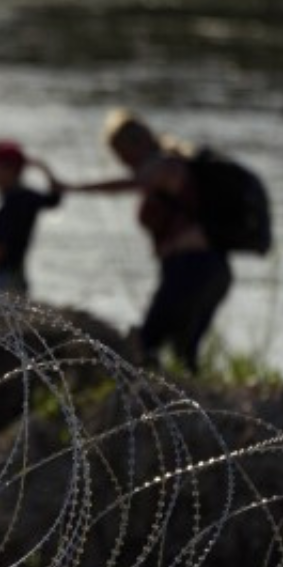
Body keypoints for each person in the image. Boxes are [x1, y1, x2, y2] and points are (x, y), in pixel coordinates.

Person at [67, 109, 231, 374]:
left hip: (193, 268)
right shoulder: (173, 166)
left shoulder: (165, 165)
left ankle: (162, 404)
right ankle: (183, 401)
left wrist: (72, 188)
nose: (124, 163)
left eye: (122, 156)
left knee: (150, 341)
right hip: (204, 270)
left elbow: (130, 184)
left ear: (136, 144)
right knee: (181, 347)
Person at [0, 140, 63, 296]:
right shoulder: (28, 197)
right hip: (19, 274)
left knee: (2, 314)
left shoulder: (9, 204)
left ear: (10, 170)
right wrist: (44, 168)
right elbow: (54, 199)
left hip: (6, 276)